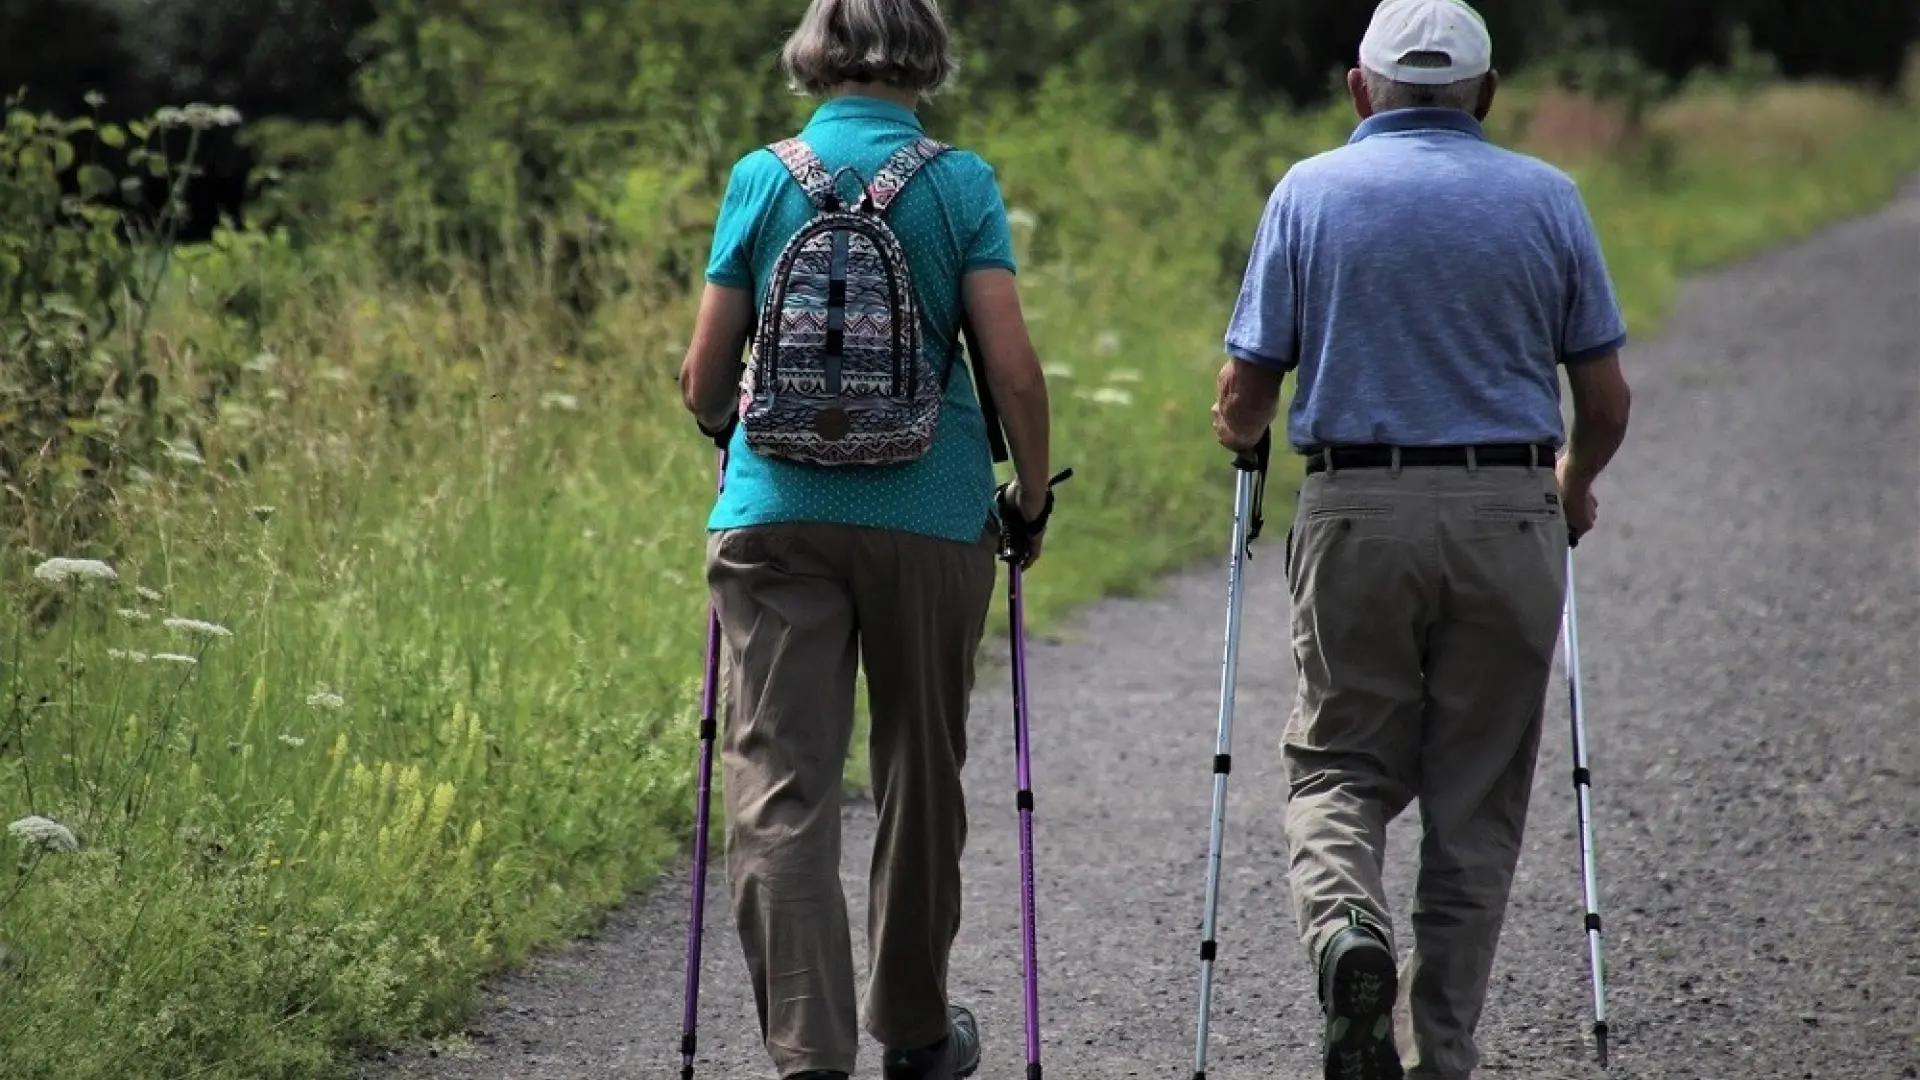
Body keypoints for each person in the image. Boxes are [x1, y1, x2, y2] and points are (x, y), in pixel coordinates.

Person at [1209, 1, 1634, 1077]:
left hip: (1359, 509)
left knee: (1338, 766)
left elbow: (1247, 389)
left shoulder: (1310, 190)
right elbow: (1606, 396)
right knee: (1475, 799)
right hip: (1508, 511)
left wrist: (1240, 431)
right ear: (1487, 95)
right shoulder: (1549, 198)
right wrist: (1572, 485)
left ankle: (1349, 929)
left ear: (1362, 88)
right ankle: (1440, 1051)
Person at [676, 1, 1056, 1077]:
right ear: (926, 60)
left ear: (814, 54)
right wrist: (1026, 497)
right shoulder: (961, 182)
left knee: (782, 785)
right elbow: (1013, 370)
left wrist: (730, 433)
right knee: (918, 773)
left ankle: (811, 1055)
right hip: (931, 515)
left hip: (777, 518)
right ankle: (918, 1034)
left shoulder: (763, 176)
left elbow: (705, 381)